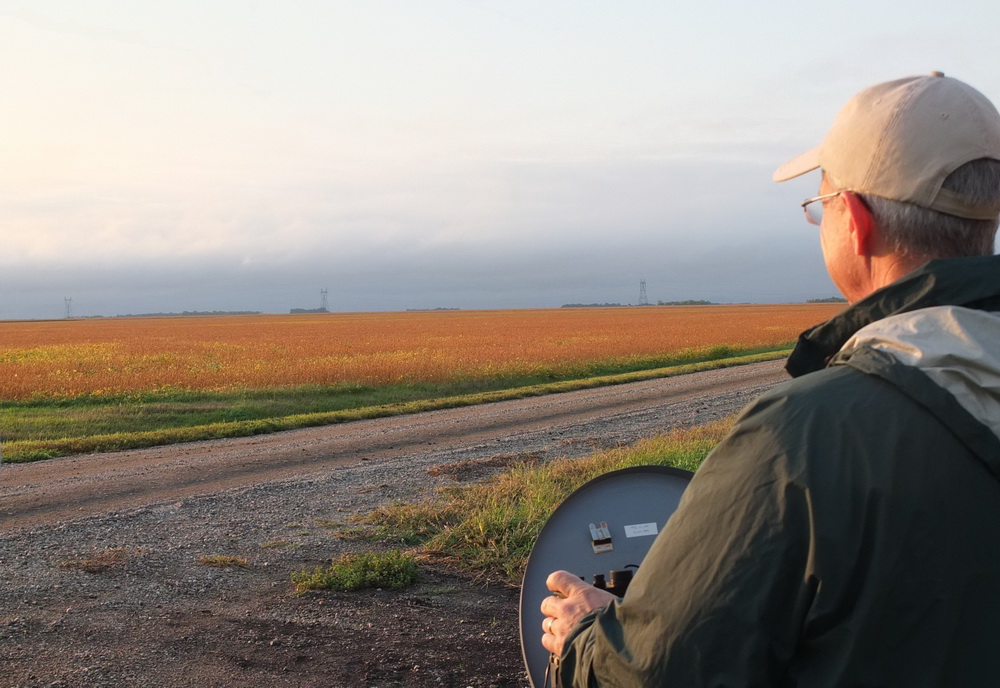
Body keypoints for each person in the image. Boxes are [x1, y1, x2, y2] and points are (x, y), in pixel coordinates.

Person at [540, 72, 1000, 686]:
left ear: (857, 222)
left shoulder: (803, 437)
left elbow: (656, 673)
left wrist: (584, 640)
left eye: (822, 206)